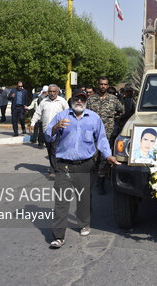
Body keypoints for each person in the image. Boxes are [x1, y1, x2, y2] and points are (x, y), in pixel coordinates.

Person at [44, 89, 120, 248]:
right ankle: (59, 236)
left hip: (85, 165)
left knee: (84, 198)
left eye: (82, 99)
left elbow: (101, 139)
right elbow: (48, 136)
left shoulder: (93, 118)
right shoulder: (61, 116)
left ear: (86, 101)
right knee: (61, 201)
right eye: (77, 98)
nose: (79, 101)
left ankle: (84, 223)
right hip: (64, 164)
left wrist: (108, 156)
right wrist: (56, 127)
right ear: (72, 100)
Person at [86, 76, 124, 194]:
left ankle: (100, 183)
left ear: (108, 86)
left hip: (107, 133)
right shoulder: (91, 99)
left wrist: (112, 119)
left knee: (104, 158)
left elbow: (121, 111)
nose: (103, 86)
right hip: (92, 133)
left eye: (105, 84)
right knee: (92, 157)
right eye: (101, 84)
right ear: (98, 85)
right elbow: (85, 114)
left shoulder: (113, 99)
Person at [29, 84, 68, 176]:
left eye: (54, 91)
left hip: (58, 130)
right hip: (46, 130)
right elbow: (37, 113)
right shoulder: (44, 102)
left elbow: (68, 114)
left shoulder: (62, 101)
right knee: (50, 149)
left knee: (55, 149)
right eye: (50, 91)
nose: (52, 93)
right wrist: (32, 123)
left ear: (57, 92)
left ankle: (55, 170)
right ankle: (53, 167)